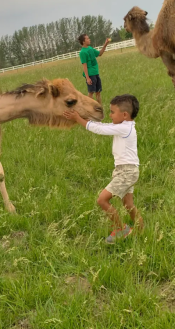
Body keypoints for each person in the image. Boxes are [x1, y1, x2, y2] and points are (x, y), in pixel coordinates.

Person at [63, 94, 143, 243]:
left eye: (112, 112)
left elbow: (100, 130)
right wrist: (83, 117)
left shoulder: (124, 128)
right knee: (128, 204)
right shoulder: (124, 126)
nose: (110, 115)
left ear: (124, 115)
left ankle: (121, 229)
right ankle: (141, 230)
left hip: (127, 172)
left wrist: (78, 119)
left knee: (102, 200)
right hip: (127, 171)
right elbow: (102, 126)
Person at [78, 34, 110, 105]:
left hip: (96, 73)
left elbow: (100, 53)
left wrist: (105, 44)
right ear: (83, 42)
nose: (89, 39)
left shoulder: (90, 48)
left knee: (98, 92)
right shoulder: (83, 52)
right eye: (87, 39)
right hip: (90, 75)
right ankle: (88, 109)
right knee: (91, 93)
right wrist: (87, 78)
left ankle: (99, 108)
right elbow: (84, 66)